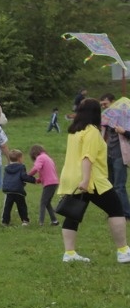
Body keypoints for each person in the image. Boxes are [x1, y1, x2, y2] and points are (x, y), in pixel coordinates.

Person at [56, 97, 130, 263]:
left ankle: (69, 253)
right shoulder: (91, 132)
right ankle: (123, 251)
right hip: (91, 180)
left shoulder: (74, 131)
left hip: (72, 177)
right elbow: (87, 158)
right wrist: (86, 180)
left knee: (73, 213)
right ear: (96, 114)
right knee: (116, 210)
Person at [98, 94, 130, 219]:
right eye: (102, 105)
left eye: (105, 104)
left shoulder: (125, 119)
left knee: (119, 186)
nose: (104, 107)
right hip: (108, 155)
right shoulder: (106, 120)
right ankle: (115, 212)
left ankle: (126, 213)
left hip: (120, 156)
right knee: (109, 186)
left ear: (113, 102)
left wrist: (124, 132)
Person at [1, 149, 35, 227]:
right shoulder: (21, 167)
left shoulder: (6, 168)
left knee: (7, 206)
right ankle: (25, 220)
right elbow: (24, 177)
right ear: (19, 158)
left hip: (8, 190)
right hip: (18, 190)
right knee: (22, 206)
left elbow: (5, 178)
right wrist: (34, 180)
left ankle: (5, 221)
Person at [28, 144, 59, 226]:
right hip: (54, 182)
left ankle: (40, 222)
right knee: (47, 202)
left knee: (43, 202)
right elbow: (46, 171)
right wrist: (39, 180)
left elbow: (36, 168)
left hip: (49, 183)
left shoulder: (40, 157)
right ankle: (54, 221)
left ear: (34, 154)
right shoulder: (47, 157)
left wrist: (28, 175)